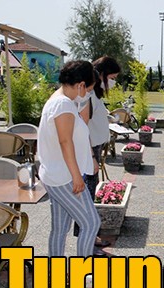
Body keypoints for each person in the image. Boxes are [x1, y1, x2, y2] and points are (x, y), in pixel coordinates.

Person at [37, 60, 101, 257]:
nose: (88, 94)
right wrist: (76, 176)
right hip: (64, 177)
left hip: (55, 174)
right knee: (91, 223)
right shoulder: (63, 104)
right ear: (80, 85)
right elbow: (65, 142)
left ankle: (54, 269)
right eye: (89, 89)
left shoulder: (59, 100)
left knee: (60, 228)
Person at [72, 56, 121, 252]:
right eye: (112, 77)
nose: (113, 81)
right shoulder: (88, 95)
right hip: (89, 149)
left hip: (94, 147)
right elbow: (83, 126)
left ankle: (90, 235)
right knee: (87, 195)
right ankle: (88, 238)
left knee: (89, 194)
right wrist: (91, 156)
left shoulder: (94, 94)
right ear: (102, 74)